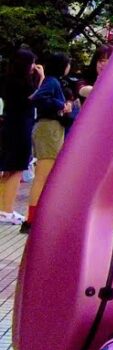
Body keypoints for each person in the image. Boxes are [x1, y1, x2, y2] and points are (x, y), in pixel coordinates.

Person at [24, 51, 72, 233]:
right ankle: (32, 220)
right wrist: (61, 106)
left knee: (43, 175)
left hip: (48, 128)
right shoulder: (52, 82)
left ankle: (34, 218)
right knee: (43, 176)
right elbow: (37, 97)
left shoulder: (51, 81)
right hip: (49, 129)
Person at [0, 49, 39, 225]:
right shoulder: (22, 84)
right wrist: (43, 78)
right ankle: (6, 209)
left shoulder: (8, 80)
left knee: (8, 168)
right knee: (17, 167)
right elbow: (34, 98)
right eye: (31, 63)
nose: (34, 67)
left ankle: (4, 208)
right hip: (20, 127)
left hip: (10, 125)